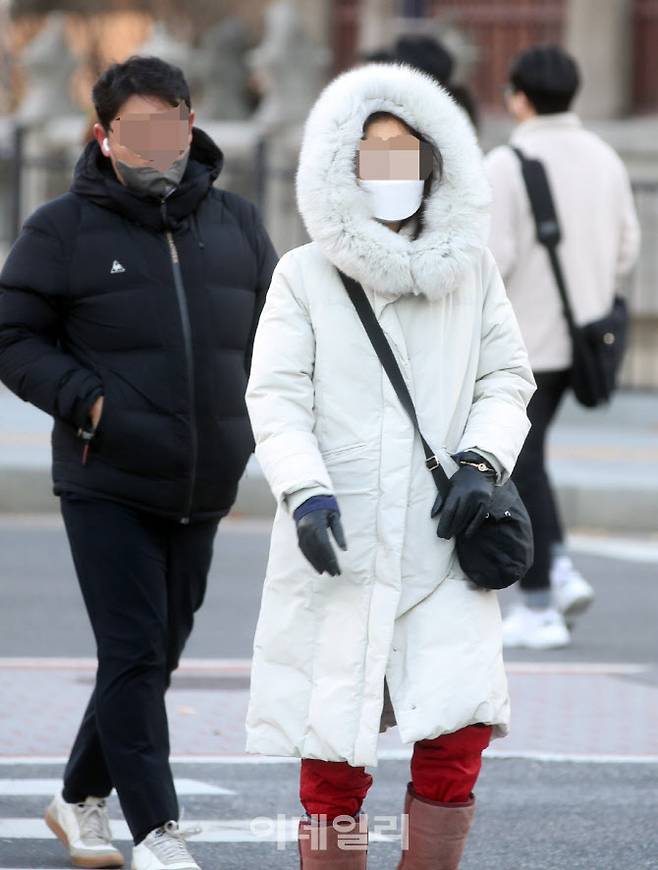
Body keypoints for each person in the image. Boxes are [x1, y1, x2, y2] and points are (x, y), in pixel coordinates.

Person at [244, 63, 535, 869]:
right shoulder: (304, 275)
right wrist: (305, 493)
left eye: (407, 156)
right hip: (343, 543)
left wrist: (482, 459)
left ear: (437, 166)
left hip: (445, 541)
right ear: (343, 167)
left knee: (457, 740)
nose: (391, 174)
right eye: (373, 156)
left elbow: (506, 376)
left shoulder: (469, 271)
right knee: (333, 756)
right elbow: (275, 396)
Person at [0, 55, 276, 870]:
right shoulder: (62, 229)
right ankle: (159, 830)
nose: (159, 146)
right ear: (104, 137)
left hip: (205, 482)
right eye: (138, 131)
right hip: (105, 479)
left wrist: (253, 425)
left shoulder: (237, 224)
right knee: (134, 652)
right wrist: (90, 403)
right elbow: (13, 337)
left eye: (172, 125)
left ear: (191, 125)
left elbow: (278, 343)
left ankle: (78, 797)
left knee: (157, 654)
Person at [485, 44, 641, 650]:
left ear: (519, 96)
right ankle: (558, 573)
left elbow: (496, 260)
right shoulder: (605, 157)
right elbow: (627, 248)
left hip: (524, 342)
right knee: (530, 460)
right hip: (584, 339)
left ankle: (542, 599)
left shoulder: (508, 161)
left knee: (520, 465)